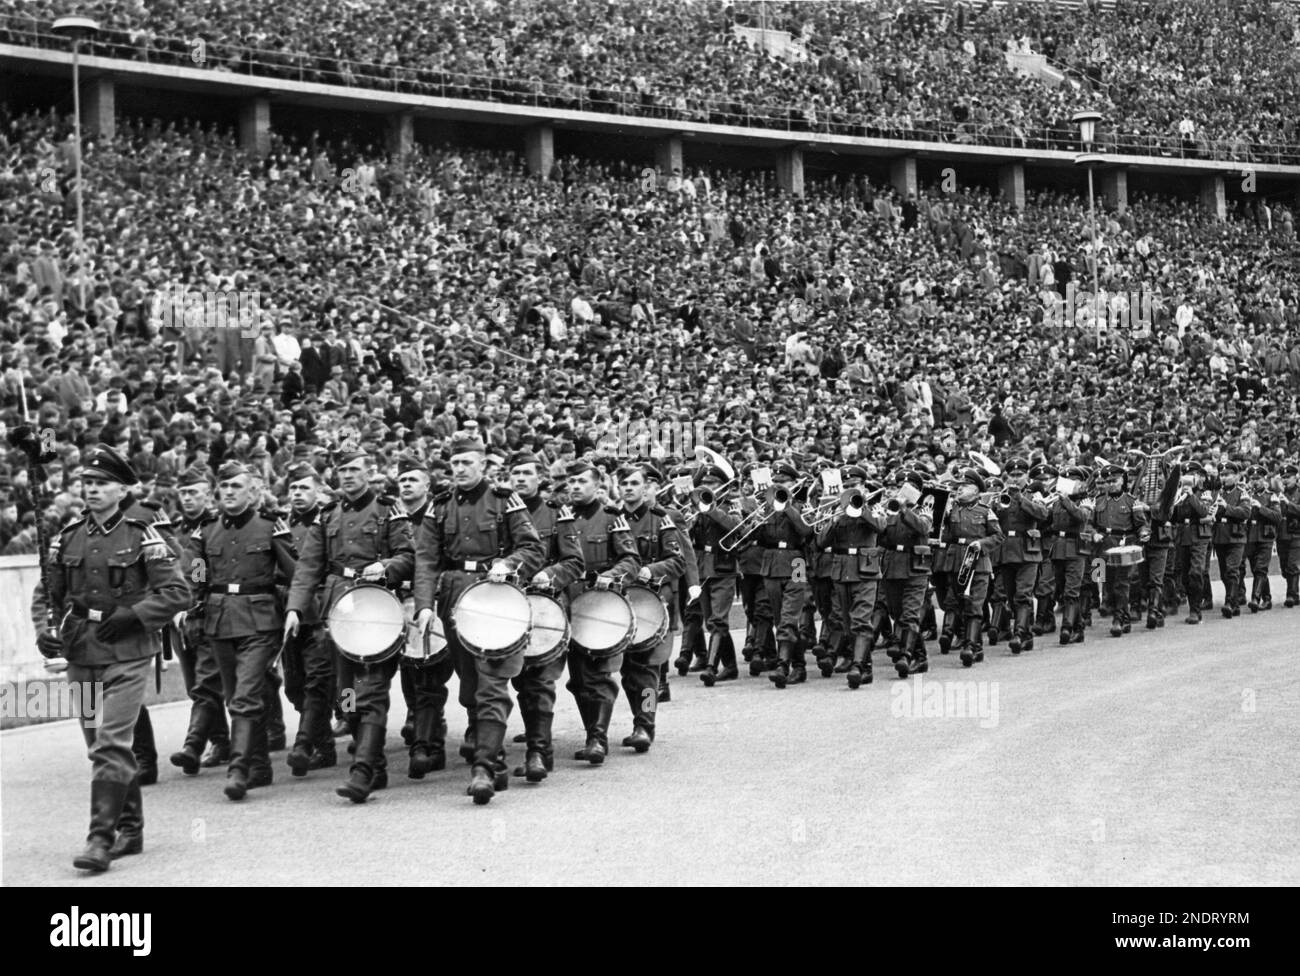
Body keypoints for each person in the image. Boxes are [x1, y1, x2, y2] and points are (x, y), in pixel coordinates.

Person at [34, 445, 190, 872]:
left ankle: (100, 839)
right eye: (87, 484)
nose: (92, 491)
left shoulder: (143, 535)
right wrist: (45, 633)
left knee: (112, 743)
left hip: (128, 653)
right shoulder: (68, 537)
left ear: (122, 491)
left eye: (101, 484)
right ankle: (131, 829)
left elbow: (179, 592)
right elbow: (47, 595)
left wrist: (134, 616)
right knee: (97, 746)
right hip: (81, 652)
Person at [412, 433, 543, 803]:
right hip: (455, 599)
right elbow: (426, 560)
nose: (459, 469)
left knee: (491, 686)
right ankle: (494, 755)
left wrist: (508, 563)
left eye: (467, 463)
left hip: (497, 599)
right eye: (454, 464)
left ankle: (484, 766)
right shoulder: (439, 507)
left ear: (483, 465)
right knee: (469, 687)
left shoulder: (504, 501)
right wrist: (424, 604)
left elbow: (533, 548)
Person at [285, 449, 414, 803]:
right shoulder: (328, 516)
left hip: (377, 609)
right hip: (339, 610)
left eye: (355, 469)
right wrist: (295, 608)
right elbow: (309, 566)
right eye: (342, 470)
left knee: (370, 690)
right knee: (347, 696)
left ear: (369, 472)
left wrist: (387, 566)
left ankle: (362, 770)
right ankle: (375, 762)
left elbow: (410, 555)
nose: (348, 476)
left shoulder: (389, 510)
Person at [190, 461, 298, 800]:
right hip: (220, 620)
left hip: (261, 620)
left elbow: (296, 573)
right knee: (236, 692)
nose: (230, 492)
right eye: (225, 487)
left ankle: (238, 768)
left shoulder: (269, 527)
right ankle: (259, 764)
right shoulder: (206, 531)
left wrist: (294, 608)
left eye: (237, 486)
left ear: (253, 491)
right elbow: (198, 576)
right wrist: (194, 610)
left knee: (245, 695)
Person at [555, 460, 639, 764]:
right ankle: (592, 729)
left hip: (596, 602)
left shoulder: (612, 518)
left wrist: (612, 576)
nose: (574, 487)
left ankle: (597, 737)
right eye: (570, 482)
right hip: (562, 602)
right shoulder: (559, 517)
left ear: (597, 486)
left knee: (597, 675)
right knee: (577, 680)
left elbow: (631, 560)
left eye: (581, 481)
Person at [508, 450, 584, 781]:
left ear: (541, 479)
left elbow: (574, 562)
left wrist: (549, 575)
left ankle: (539, 751)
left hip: (546, 607)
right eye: (515, 474)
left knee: (540, 682)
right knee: (514, 681)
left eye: (527, 473)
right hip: (507, 607)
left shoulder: (557, 514)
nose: (520, 479)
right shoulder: (503, 511)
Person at [617, 462, 685, 749]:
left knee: (646, 670)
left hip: (653, 600)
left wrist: (651, 570)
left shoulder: (661, 519)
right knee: (627, 672)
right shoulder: (613, 519)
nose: (630, 489)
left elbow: (678, 561)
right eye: (624, 484)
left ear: (646, 487)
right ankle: (639, 718)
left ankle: (645, 725)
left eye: (635, 484)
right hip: (621, 602)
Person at [389, 454, 449, 779]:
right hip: (397, 603)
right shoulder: (392, 519)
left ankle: (430, 738)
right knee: (406, 670)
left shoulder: (439, 514)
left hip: (433, 602)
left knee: (428, 672)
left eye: (413, 479)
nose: (407, 485)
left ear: (427, 484)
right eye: (403, 480)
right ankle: (350, 716)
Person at [168, 464, 230, 774]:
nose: (188, 498)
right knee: (197, 683)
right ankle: (221, 739)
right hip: (180, 621)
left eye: (194, 492)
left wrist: (192, 599)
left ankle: (194, 745)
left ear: (208, 495)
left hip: (208, 613)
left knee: (207, 683)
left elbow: (201, 573)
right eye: (183, 493)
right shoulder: (173, 531)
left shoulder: (218, 526)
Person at [281, 462, 338, 776]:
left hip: (323, 610)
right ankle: (322, 742)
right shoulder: (279, 523)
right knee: (295, 685)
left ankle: (309, 742)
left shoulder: (330, 520)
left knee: (328, 683)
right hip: (290, 612)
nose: (297, 493)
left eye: (304, 487)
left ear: (319, 490)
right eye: (293, 488)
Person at [815, 467, 889, 687]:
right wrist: (835, 518)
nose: (850, 489)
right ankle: (865, 667)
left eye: (854, 485)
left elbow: (880, 527)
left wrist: (861, 507)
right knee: (847, 624)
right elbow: (821, 542)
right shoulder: (835, 510)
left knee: (860, 620)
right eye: (846, 486)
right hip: (841, 571)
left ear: (863, 486)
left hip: (866, 570)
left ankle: (857, 666)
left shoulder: (874, 508)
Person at [937, 468, 1003, 666]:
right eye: (959, 486)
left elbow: (998, 536)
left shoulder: (985, 511)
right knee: (955, 602)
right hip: (956, 560)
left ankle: (971, 646)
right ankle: (969, 641)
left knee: (974, 604)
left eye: (965, 486)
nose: (960, 489)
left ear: (976, 490)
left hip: (978, 561)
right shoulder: (953, 509)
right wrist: (944, 516)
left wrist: (981, 544)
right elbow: (945, 536)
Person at [875, 469, 935, 678]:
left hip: (916, 567)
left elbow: (923, 528)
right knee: (897, 613)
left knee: (910, 614)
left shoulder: (924, 508)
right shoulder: (888, 508)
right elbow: (881, 538)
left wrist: (904, 511)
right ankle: (920, 656)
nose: (902, 491)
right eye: (900, 486)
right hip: (892, 567)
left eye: (907, 487)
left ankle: (906, 656)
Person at [1090, 463, 1149, 638]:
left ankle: (1119, 618)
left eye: (1114, 480)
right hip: (1104, 546)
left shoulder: (1131, 501)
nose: (1110, 484)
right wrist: (1093, 534)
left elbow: (1141, 524)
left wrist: (1144, 533)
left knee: (1121, 583)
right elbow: (1089, 523)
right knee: (1105, 582)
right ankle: (1121, 615)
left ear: (1122, 480)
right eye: (1107, 481)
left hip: (1124, 546)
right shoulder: (1098, 501)